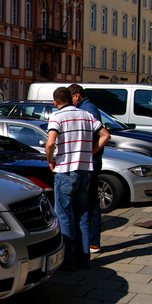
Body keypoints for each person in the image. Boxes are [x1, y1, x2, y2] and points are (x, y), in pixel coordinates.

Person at [46, 87, 110, 270]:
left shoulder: (57, 117)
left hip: (66, 171)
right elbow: (105, 135)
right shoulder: (86, 115)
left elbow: (50, 143)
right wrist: (90, 152)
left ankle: (67, 261)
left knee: (64, 214)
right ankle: (84, 259)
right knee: (82, 214)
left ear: (55, 102)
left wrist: (50, 160)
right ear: (71, 98)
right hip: (85, 170)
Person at [68, 84, 104, 255]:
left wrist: (89, 153)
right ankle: (91, 242)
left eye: (71, 99)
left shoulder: (88, 110)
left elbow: (99, 134)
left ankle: (92, 242)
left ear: (77, 96)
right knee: (90, 202)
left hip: (90, 162)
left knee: (89, 203)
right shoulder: (88, 108)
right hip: (91, 160)